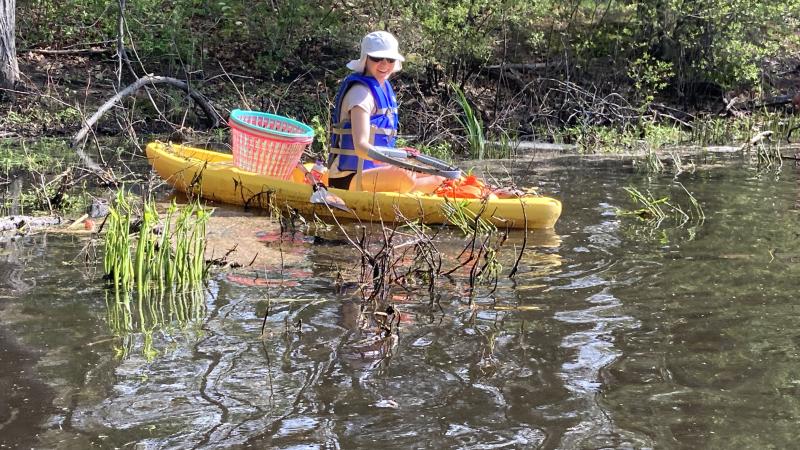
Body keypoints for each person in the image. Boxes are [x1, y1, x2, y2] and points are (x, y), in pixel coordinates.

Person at [328, 31, 443, 193]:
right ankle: (412, 189)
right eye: (377, 58)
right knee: (405, 177)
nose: (384, 64)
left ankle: (414, 188)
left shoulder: (384, 89)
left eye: (390, 59)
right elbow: (361, 147)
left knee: (439, 176)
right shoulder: (361, 94)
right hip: (348, 176)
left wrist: (400, 156)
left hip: (376, 173)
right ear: (365, 58)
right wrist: (396, 157)